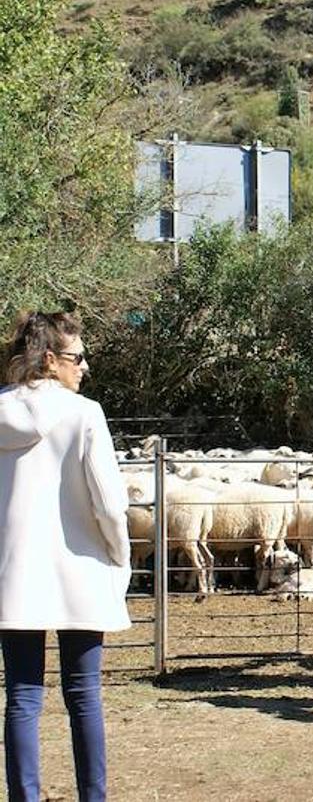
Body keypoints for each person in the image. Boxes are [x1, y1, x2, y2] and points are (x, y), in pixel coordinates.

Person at [1, 311, 131, 802]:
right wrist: (119, 556)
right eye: (77, 358)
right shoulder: (85, 414)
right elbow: (109, 502)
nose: (85, 367)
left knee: (22, 695)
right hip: (79, 568)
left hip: (14, 574)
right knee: (84, 695)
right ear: (50, 360)